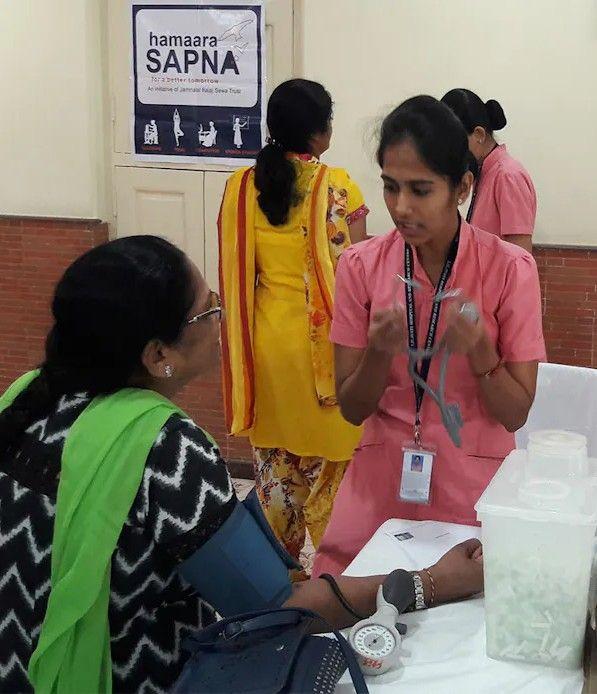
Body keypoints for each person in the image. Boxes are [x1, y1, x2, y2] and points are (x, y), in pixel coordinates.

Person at [0, 236, 483, 693]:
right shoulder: (165, 449)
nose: (221, 318)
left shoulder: (24, 400)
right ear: (158, 354)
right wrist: (431, 583)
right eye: (208, 310)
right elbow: (277, 610)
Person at [313, 96, 546, 576]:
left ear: (461, 187)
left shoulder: (510, 270)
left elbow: (516, 413)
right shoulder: (360, 266)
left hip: (474, 484)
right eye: (390, 187)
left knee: (466, 606)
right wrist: (378, 354)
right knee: (338, 593)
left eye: (420, 190)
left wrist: (481, 352)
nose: (401, 208)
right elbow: (353, 408)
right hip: (381, 480)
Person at [219, 79, 369, 570]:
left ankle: (279, 583)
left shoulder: (242, 187)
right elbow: (358, 276)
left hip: (266, 351)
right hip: (327, 354)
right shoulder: (338, 188)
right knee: (333, 479)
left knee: (277, 481)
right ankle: (335, 579)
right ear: (320, 131)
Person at [441, 88, 537, 253]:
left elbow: (520, 255)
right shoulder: (483, 172)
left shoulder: (507, 176)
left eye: (455, 143)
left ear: (479, 134)